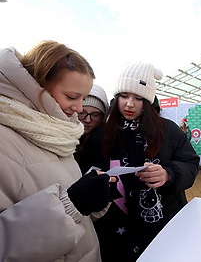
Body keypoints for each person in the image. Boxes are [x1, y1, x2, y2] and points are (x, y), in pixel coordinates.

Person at [0, 40, 115, 261]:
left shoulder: (55, 133)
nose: (79, 108)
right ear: (36, 84)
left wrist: (91, 200)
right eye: (72, 97)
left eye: (83, 98)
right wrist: (72, 204)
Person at [79, 61, 200, 261]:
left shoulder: (168, 130)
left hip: (163, 225)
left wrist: (168, 174)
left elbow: (190, 165)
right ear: (116, 98)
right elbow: (85, 171)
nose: (129, 104)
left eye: (138, 98)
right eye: (124, 96)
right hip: (113, 230)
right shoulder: (101, 134)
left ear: (149, 101)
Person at [75, 84, 109, 170]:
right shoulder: (59, 138)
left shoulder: (106, 143)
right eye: (82, 113)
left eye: (95, 115)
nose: (88, 120)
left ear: (103, 117)